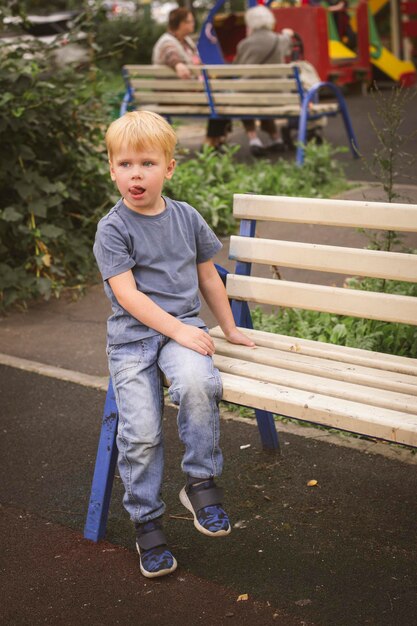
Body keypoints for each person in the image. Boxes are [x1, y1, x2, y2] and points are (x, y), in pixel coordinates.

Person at [93, 110, 254, 579]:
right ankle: (147, 522)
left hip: (182, 331)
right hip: (132, 341)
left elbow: (208, 275)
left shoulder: (185, 217)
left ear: (169, 167)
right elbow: (127, 294)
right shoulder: (113, 228)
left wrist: (227, 327)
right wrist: (181, 330)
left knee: (198, 383)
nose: (135, 173)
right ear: (112, 170)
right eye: (125, 164)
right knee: (140, 434)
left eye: (146, 163)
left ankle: (200, 481)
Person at [152, 7, 230, 150]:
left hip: (189, 93)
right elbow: (171, 55)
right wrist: (178, 65)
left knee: (223, 98)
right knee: (221, 101)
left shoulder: (186, 41)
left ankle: (214, 140)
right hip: (175, 96)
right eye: (190, 21)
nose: (193, 24)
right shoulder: (167, 42)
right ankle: (210, 142)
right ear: (180, 24)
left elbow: (197, 62)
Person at [233, 5, 294, 157]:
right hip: (277, 95)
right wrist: (287, 33)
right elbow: (289, 47)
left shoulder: (244, 44)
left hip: (249, 96)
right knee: (265, 95)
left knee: (247, 95)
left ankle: (254, 139)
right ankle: (276, 138)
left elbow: (236, 68)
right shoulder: (281, 40)